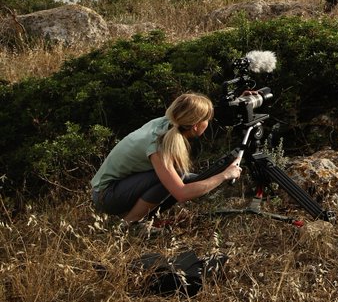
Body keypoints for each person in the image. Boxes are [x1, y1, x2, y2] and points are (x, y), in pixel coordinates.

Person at [90, 93, 243, 226]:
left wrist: (240, 100)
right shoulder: (159, 145)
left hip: (115, 188)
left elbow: (199, 110)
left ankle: (137, 218)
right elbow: (181, 193)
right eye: (207, 120)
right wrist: (224, 175)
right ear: (196, 126)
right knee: (173, 176)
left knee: (177, 175)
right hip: (106, 196)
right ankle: (130, 223)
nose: (208, 123)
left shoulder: (170, 121)